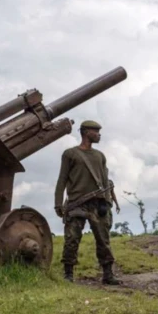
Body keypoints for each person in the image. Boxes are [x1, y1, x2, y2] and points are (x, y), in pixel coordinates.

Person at [54, 120, 120, 285]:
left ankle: (108, 274)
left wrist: (106, 202)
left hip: (98, 204)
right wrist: (58, 203)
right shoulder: (70, 154)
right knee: (71, 239)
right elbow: (62, 180)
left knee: (103, 240)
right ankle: (68, 274)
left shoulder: (100, 156)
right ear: (85, 132)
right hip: (77, 204)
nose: (99, 134)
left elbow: (105, 181)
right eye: (95, 131)